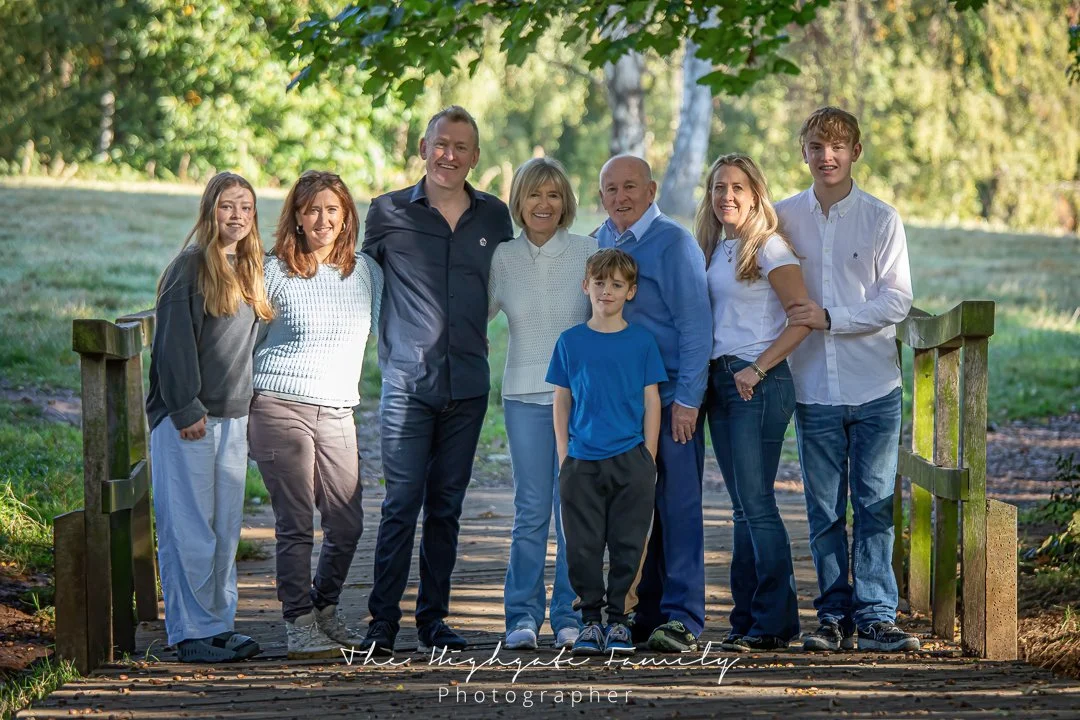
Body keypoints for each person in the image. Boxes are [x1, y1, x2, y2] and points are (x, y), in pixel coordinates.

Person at [360, 106, 514, 655]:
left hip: (469, 385)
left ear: (475, 157)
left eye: (461, 147)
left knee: (446, 506)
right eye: (440, 144)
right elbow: (347, 275)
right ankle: (381, 623)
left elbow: (513, 282)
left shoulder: (496, 218)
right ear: (423, 148)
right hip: (407, 384)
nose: (449, 155)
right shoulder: (386, 212)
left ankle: (433, 619)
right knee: (401, 503)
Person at [775, 106, 917, 652]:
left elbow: (897, 299)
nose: (826, 156)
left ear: (856, 152)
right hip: (812, 388)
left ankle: (879, 615)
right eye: (816, 146)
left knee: (877, 503)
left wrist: (833, 320)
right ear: (804, 152)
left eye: (837, 146)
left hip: (875, 387)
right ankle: (833, 615)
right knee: (825, 509)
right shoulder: (785, 218)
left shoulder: (882, 219)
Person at [247, 170, 383, 659]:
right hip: (279, 404)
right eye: (311, 210)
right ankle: (298, 622)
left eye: (332, 209)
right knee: (296, 523)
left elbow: (391, 334)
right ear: (297, 218)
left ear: (347, 215)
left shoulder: (366, 272)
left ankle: (325, 609)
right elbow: (240, 342)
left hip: (339, 408)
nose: (322, 219)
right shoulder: (272, 271)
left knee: (347, 522)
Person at [146, 171, 273, 662]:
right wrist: (184, 406)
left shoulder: (250, 269)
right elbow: (172, 345)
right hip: (189, 419)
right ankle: (190, 632)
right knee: (188, 527)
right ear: (209, 211)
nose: (236, 215)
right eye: (226, 206)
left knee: (223, 528)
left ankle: (219, 624)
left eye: (245, 206)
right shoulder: (190, 268)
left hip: (232, 419)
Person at [594, 155, 712, 653]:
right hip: (622, 402)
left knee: (678, 505)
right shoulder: (601, 238)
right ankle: (649, 609)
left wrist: (687, 399)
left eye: (630, 187)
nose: (620, 197)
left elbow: (695, 327)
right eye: (610, 188)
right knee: (637, 506)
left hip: (670, 399)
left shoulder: (674, 243)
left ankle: (684, 616)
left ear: (651, 189)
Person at [694, 153, 811, 651]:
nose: (727, 196)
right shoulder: (721, 249)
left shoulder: (770, 247)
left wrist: (757, 369)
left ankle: (776, 621)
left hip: (756, 383)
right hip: (721, 382)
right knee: (743, 506)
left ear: (757, 194)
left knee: (757, 505)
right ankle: (746, 620)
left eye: (738, 187)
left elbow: (802, 317)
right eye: (719, 187)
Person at [489, 157, 594, 651]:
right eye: (534, 194)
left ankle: (569, 615)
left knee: (572, 509)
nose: (544, 204)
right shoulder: (503, 258)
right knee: (531, 509)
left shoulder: (588, 252)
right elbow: (471, 317)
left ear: (566, 202)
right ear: (519, 201)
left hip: (579, 401)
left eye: (554, 195)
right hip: (523, 398)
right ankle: (522, 616)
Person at [546, 248, 666, 656]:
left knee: (628, 542)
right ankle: (591, 621)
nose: (607, 291)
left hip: (631, 460)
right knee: (582, 545)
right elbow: (561, 401)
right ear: (586, 286)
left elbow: (653, 401)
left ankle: (619, 620)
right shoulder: (570, 342)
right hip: (581, 461)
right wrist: (565, 455)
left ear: (630, 292)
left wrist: (647, 456)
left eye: (617, 285)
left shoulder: (642, 342)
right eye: (600, 283)